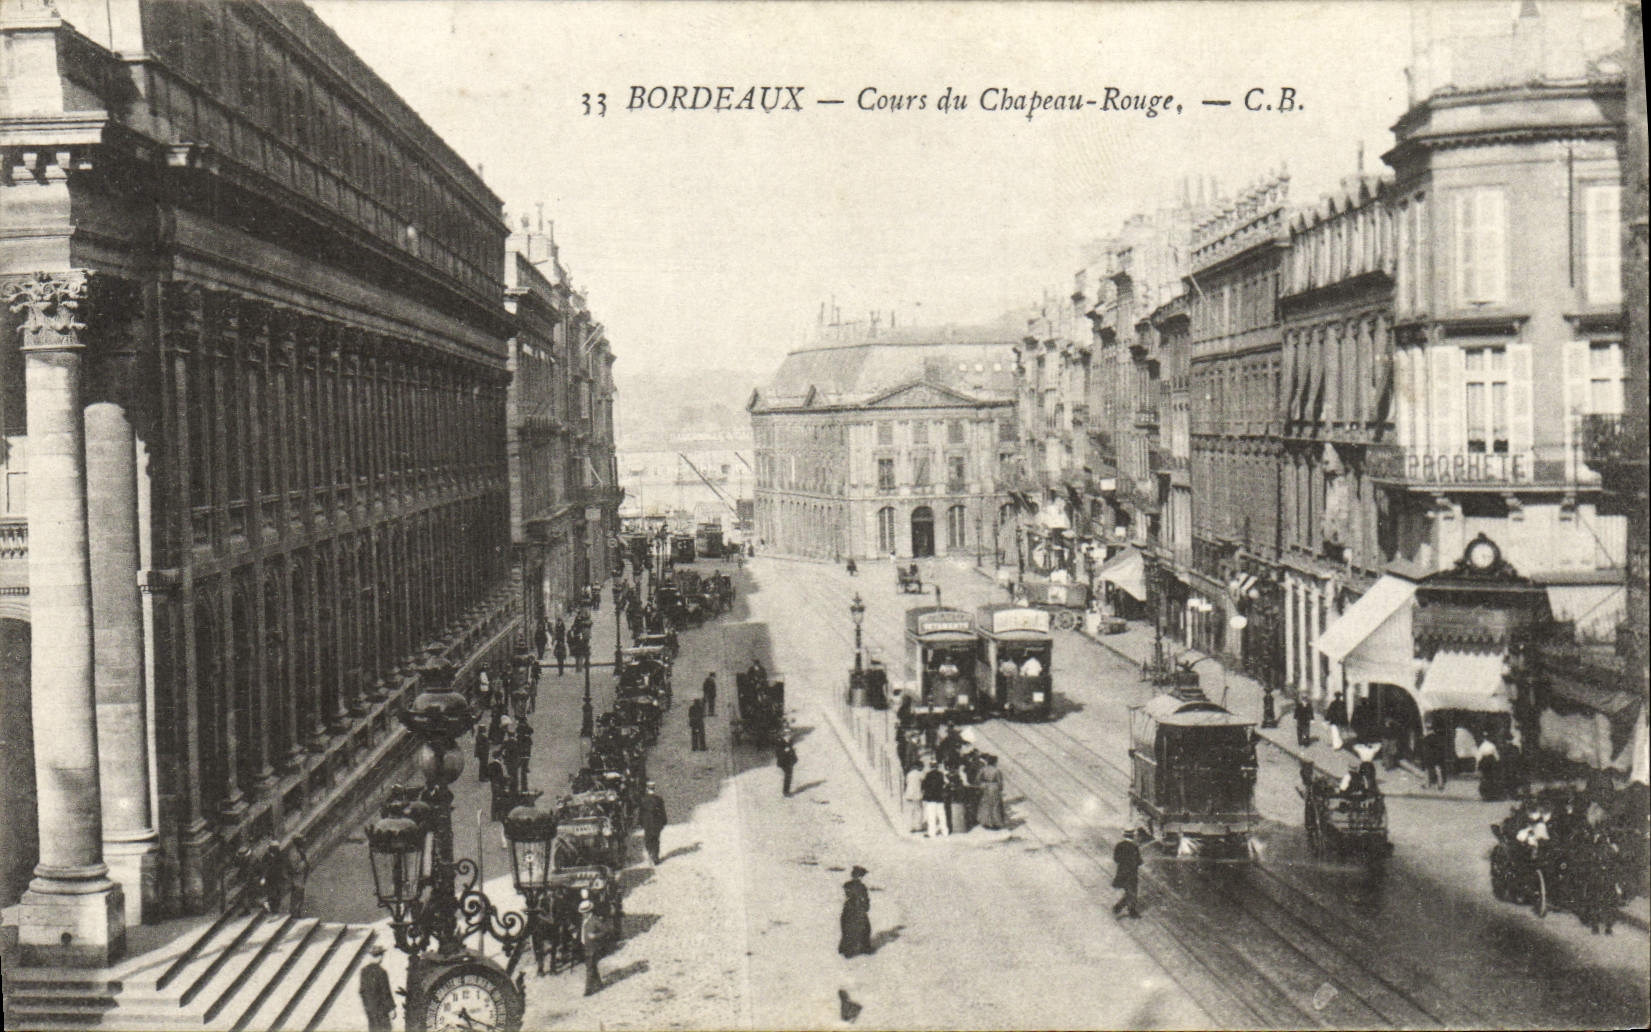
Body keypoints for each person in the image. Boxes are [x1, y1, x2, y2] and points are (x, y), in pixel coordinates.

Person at [358, 943, 395, 1032]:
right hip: (382, 1010)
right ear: (380, 956)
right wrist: (391, 1008)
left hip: (370, 1009)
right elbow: (385, 992)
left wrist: (367, 1005)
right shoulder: (381, 972)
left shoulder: (364, 971)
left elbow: (362, 991)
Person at [838, 865, 873, 958]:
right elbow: (865, 900)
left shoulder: (847, 885)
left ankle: (846, 950)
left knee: (848, 929)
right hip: (858, 910)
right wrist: (865, 906)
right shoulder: (861, 887)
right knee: (864, 929)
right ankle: (863, 949)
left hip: (848, 909)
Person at [1112, 829, 1143, 918]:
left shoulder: (1119, 845)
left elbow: (1116, 859)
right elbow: (1138, 861)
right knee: (1132, 892)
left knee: (1129, 892)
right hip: (1131, 873)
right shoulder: (1134, 847)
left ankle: (1118, 907)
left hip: (1121, 872)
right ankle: (1131, 911)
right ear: (1133, 836)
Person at [580, 899, 604, 996]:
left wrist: (595, 936)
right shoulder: (584, 919)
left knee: (589, 968)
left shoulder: (595, 920)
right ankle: (599, 984)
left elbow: (605, 931)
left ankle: (588, 990)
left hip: (593, 947)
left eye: (584, 912)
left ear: (589, 911)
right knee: (592, 966)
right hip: (585, 946)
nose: (582, 914)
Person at [976, 754, 1006, 830]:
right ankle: (996, 823)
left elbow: (978, 779)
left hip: (986, 787)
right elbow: (1000, 782)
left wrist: (983, 784)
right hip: (994, 788)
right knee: (995, 805)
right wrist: (1000, 789)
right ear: (995, 762)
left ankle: (986, 823)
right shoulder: (997, 770)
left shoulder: (983, 769)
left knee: (986, 805)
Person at [641, 782, 668, 865]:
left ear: (647, 788)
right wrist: (664, 821)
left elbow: (641, 813)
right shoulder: (658, 799)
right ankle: (655, 857)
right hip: (656, 822)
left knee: (648, 839)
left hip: (647, 822)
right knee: (656, 839)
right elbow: (662, 811)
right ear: (654, 788)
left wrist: (641, 823)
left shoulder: (643, 799)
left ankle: (650, 854)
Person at [921, 759, 948, 838]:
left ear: (930, 766)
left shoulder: (928, 775)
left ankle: (932, 833)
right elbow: (946, 783)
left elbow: (923, 786)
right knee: (942, 815)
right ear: (937, 766)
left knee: (931, 816)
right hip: (939, 797)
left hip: (931, 798)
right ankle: (945, 832)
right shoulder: (941, 774)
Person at [903, 762, 927, 834]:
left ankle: (910, 826)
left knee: (911, 811)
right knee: (918, 811)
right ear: (919, 767)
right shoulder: (920, 774)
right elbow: (924, 780)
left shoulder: (909, 774)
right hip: (917, 795)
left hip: (909, 794)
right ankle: (918, 826)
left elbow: (906, 782)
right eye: (922, 767)